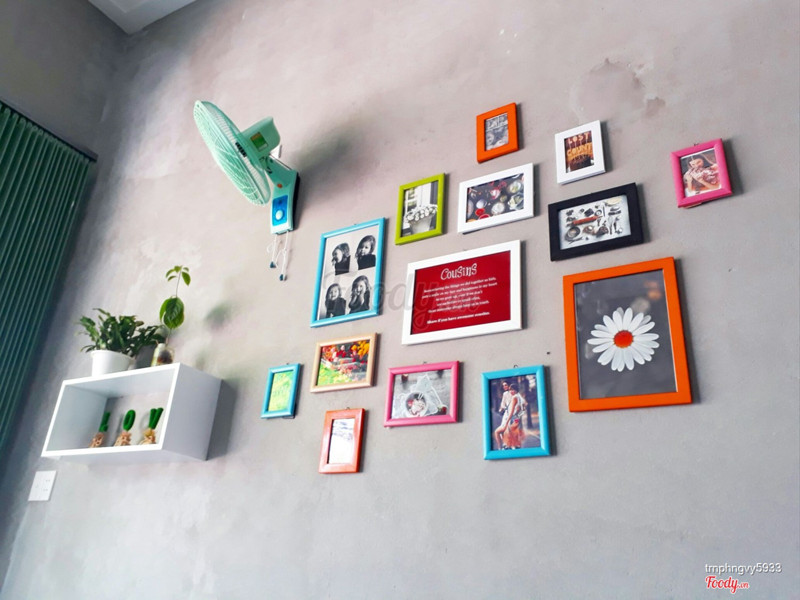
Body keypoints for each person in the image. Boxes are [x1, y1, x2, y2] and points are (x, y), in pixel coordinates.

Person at [494, 383, 526, 450]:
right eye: (510, 390)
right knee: (512, 435)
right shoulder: (518, 396)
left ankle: (501, 448)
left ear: (516, 390)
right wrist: (518, 416)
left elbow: (511, 412)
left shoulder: (514, 397)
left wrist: (508, 421)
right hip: (515, 419)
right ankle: (509, 446)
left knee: (499, 432)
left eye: (513, 390)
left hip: (511, 419)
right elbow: (523, 409)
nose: (511, 391)